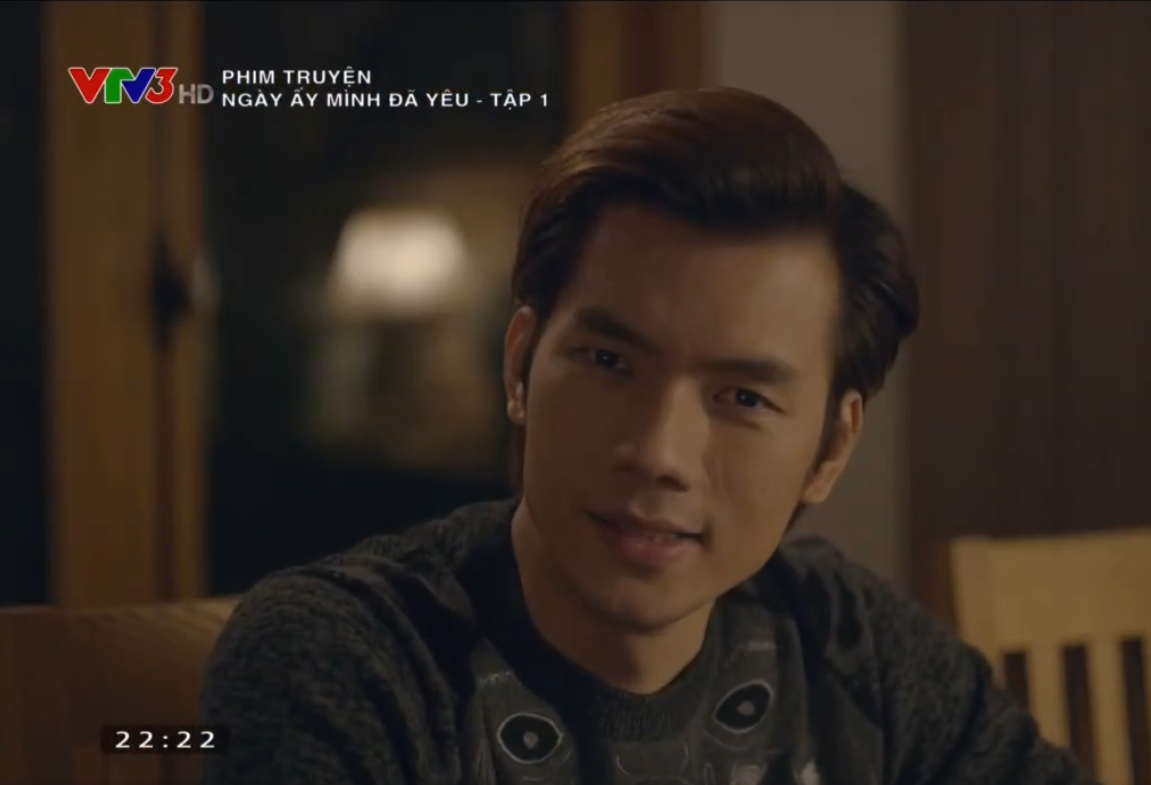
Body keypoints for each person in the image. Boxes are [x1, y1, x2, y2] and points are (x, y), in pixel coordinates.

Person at [199, 87, 1098, 785]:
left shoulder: (848, 646)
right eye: (606, 361)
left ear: (829, 448)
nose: (658, 453)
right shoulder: (352, 661)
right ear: (520, 366)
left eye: (741, 396)